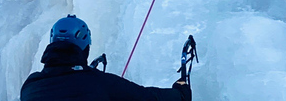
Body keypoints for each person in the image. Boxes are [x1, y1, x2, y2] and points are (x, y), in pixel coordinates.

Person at [21, 15, 192, 101]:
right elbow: (147, 97)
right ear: (84, 47)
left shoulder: (30, 86)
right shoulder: (98, 82)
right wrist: (180, 93)